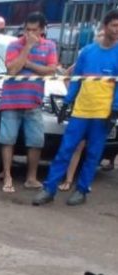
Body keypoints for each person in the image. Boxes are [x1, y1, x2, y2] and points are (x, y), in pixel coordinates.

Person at [34, 10, 118, 206]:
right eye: (114, 25)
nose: (117, 30)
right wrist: (67, 102)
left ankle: (82, 190)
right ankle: (49, 189)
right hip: (81, 111)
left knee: (93, 154)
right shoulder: (87, 52)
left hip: (102, 114)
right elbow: (76, 81)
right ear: (105, 27)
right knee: (65, 149)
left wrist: (114, 110)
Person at [0, 12, 57, 193]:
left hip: (34, 101)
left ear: (43, 30)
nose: (30, 34)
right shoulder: (15, 45)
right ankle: (7, 175)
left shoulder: (50, 46)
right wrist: (27, 47)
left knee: (36, 140)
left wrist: (29, 65)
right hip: (11, 100)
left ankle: (31, 178)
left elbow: (51, 71)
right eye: (27, 30)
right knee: (7, 139)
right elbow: (12, 70)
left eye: (34, 30)